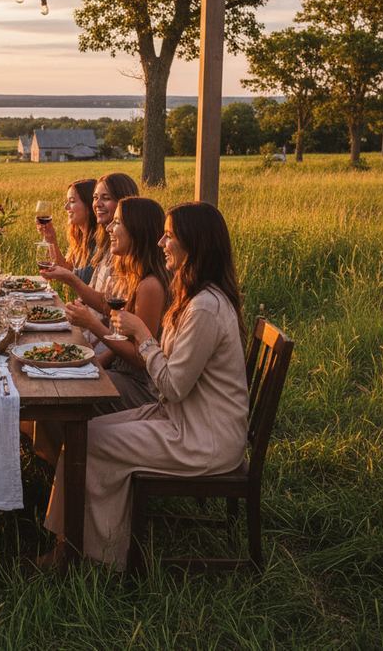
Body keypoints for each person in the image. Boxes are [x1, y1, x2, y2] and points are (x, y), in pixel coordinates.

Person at [44, 202, 249, 569]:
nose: (161, 242)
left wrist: (141, 335)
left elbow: (172, 386)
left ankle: (82, 555)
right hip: (183, 419)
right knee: (84, 434)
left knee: (85, 444)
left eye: (169, 236)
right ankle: (86, 542)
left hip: (202, 438)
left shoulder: (204, 308)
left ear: (194, 244)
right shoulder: (195, 296)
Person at [63, 196, 169, 408]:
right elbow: (104, 304)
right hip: (119, 372)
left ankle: (75, 440)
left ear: (137, 229)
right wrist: (70, 279)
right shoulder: (131, 273)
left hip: (141, 387)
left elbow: (141, 358)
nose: (109, 227)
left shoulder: (150, 286)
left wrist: (92, 324)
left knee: (64, 396)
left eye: (118, 222)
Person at [43, 172, 139, 315]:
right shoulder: (103, 243)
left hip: (98, 332)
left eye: (106, 198)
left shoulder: (119, 248)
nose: (66, 207)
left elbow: (108, 306)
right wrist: (50, 238)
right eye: (96, 198)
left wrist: (70, 279)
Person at [36, 179, 97, 284]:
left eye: (72, 201)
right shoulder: (80, 238)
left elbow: (69, 276)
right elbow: (66, 269)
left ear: (89, 205)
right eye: (67, 201)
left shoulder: (100, 242)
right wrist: (50, 238)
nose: (66, 207)